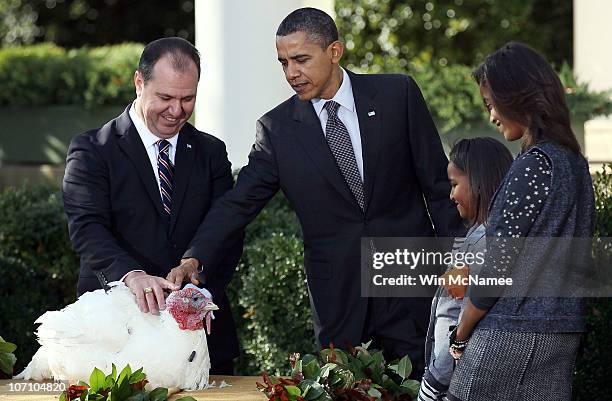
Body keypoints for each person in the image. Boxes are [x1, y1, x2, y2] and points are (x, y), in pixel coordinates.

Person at [172, 7, 463, 377]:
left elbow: (439, 188)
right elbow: (237, 203)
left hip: (410, 282)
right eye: (283, 62)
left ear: (334, 52)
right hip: (340, 300)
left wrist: (460, 259)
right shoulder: (277, 131)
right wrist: (194, 258)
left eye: (301, 59)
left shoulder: (397, 95)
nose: (292, 72)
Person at [62, 37, 243, 375]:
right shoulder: (92, 150)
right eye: (165, 98)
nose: (177, 111)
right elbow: (87, 228)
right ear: (139, 83)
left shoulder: (211, 152)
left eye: (187, 99)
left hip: (200, 345)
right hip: (115, 339)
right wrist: (132, 276)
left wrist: (196, 270)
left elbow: (226, 229)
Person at [446, 42, 595, 401]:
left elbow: (497, 267)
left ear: (518, 95)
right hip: (562, 332)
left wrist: (461, 332)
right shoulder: (575, 165)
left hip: (511, 331)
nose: (492, 115)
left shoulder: (532, 165)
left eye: (492, 103)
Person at [418, 138, 513, 401]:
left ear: (478, 182)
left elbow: (462, 321)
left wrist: (434, 382)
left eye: (454, 185)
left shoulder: (484, 243)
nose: (451, 196)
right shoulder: (478, 237)